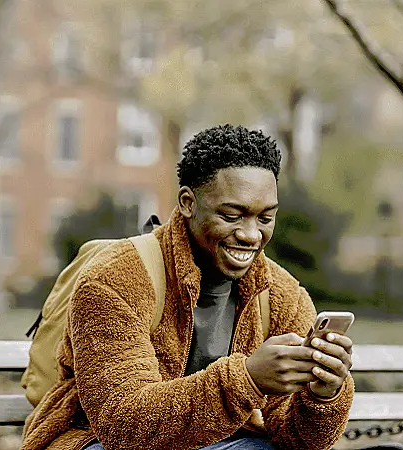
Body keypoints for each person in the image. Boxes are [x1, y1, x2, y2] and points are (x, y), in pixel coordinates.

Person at [21, 125, 354, 450]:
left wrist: (321, 395)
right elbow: (122, 427)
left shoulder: (282, 296)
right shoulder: (115, 278)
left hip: (227, 441)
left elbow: (297, 441)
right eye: (231, 215)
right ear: (187, 202)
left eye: (265, 218)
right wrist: (247, 379)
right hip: (93, 439)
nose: (251, 235)